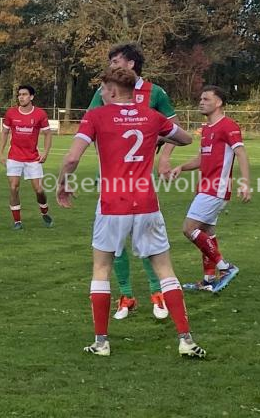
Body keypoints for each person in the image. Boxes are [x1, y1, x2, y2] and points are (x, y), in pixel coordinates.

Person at [56, 67, 205, 358]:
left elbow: (72, 158)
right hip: (147, 203)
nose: (100, 93)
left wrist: (63, 183)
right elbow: (186, 139)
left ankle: (101, 342)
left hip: (112, 204)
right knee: (165, 270)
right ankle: (186, 340)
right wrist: (158, 139)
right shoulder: (151, 116)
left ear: (112, 90)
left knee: (101, 268)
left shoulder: (96, 116)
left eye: (102, 89)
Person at [88, 43, 181, 320]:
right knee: (115, 243)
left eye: (116, 61)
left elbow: (175, 129)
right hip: (111, 178)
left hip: (140, 179)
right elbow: (92, 125)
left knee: (147, 240)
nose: (112, 66)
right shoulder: (104, 90)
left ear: (131, 63)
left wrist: (163, 157)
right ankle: (126, 294)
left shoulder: (155, 92)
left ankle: (157, 292)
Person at [170, 86, 250, 293]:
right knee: (207, 233)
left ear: (219, 102)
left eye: (206, 99)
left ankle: (226, 267)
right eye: (201, 99)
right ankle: (208, 280)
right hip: (206, 187)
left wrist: (245, 183)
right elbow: (201, 159)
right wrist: (181, 167)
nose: (201, 102)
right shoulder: (206, 129)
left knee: (189, 229)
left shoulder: (228, 125)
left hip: (216, 188)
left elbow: (241, 153)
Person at [0, 85, 53, 230]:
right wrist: (1, 153)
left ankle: (44, 211)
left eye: (24, 94)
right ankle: (17, 221)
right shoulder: (11, 113)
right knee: (13, 187)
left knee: (39, 190)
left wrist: (45, 152)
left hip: (33, 158)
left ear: (31, 97)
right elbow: (4, 133)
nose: (21, 97)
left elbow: (48, 134)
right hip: (14, 156)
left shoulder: (40, 114)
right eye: (19, 94)